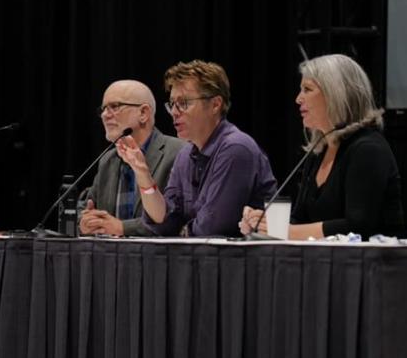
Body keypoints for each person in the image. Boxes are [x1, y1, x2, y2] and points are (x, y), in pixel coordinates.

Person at [239, 53, 405, 240]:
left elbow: (358, 226)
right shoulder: (318, 151)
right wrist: (262, 223)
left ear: (336, 94)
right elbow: (300, 219)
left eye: (307, 89)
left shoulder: (368, 149)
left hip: (374, 266)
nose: (298, 99)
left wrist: (286, 231)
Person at [116, 59, 277, 236]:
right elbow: (164, 220)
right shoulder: (185, 154)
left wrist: (182, 231)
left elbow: (213, 227)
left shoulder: (236, 148)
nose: (175, 112)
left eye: (183, 103)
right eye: (172, 104)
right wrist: (142, 174)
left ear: (215, 104)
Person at [79, 80, 185, 236]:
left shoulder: (179, 152)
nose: (105, 115)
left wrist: (122, 228)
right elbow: (85, 205)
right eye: (103, 109)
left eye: (114, 107)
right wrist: (85, 221)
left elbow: (175, 218)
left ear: (143, 113)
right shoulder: (107, 160)